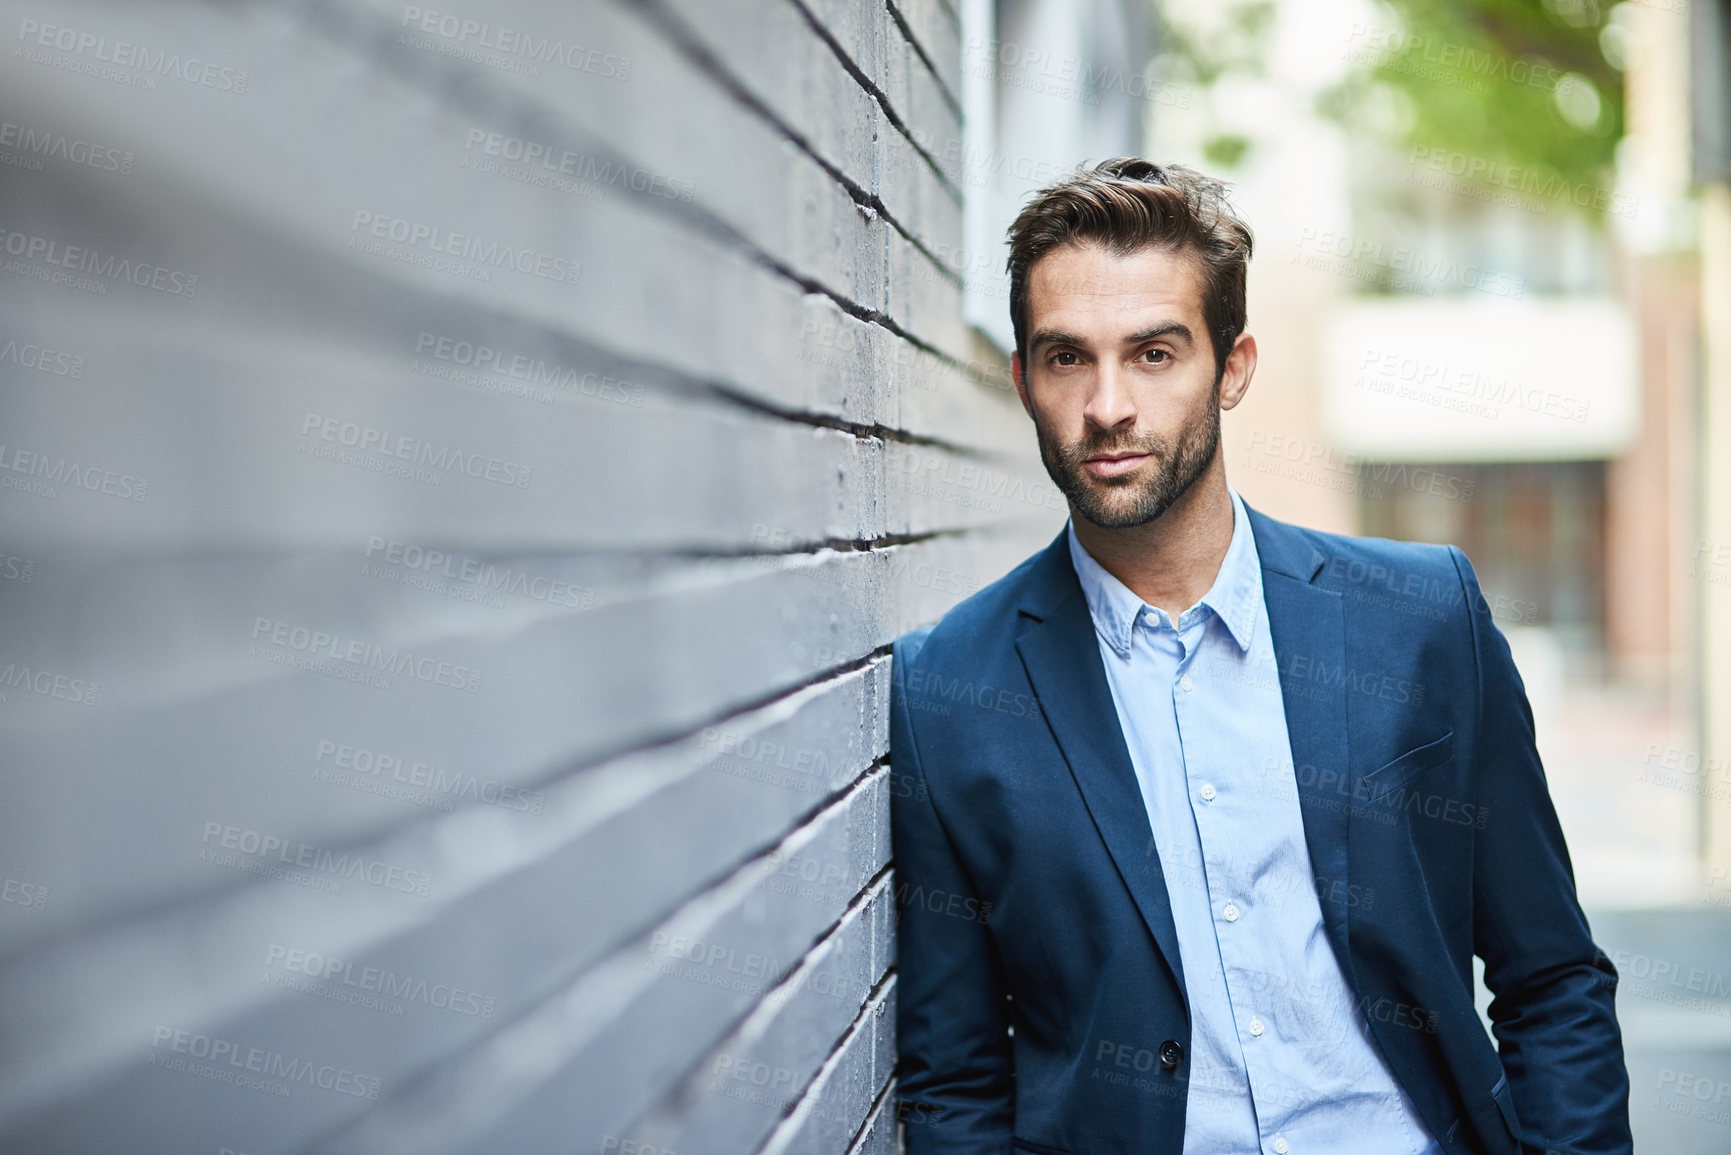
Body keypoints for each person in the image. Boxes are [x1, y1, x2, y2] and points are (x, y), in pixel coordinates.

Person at [889, 158, 1632, 1155]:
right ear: (1023, 380)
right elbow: (954, 1080)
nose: (1109, 405)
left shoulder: (1420, 619)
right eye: (1068, 359)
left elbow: (1551, 978)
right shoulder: (953, 689)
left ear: (1232, 368)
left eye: (1154, 354)